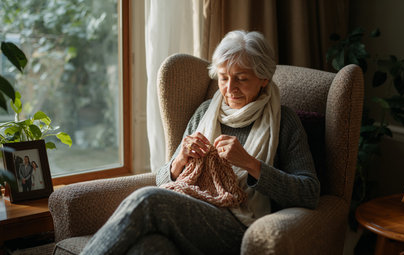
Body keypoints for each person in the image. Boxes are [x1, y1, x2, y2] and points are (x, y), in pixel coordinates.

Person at [80, 30, 320, 255]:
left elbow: (309, 192)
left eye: (241, 79)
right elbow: (164, 179)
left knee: (147, 200)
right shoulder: (206, 112)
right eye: (223, 78)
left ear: (264, 79)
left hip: (242, 226)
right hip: (191, 211)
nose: (229, 88)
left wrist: (249, 164)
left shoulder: (284, 121)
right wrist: (180, 160)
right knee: (150, 247)